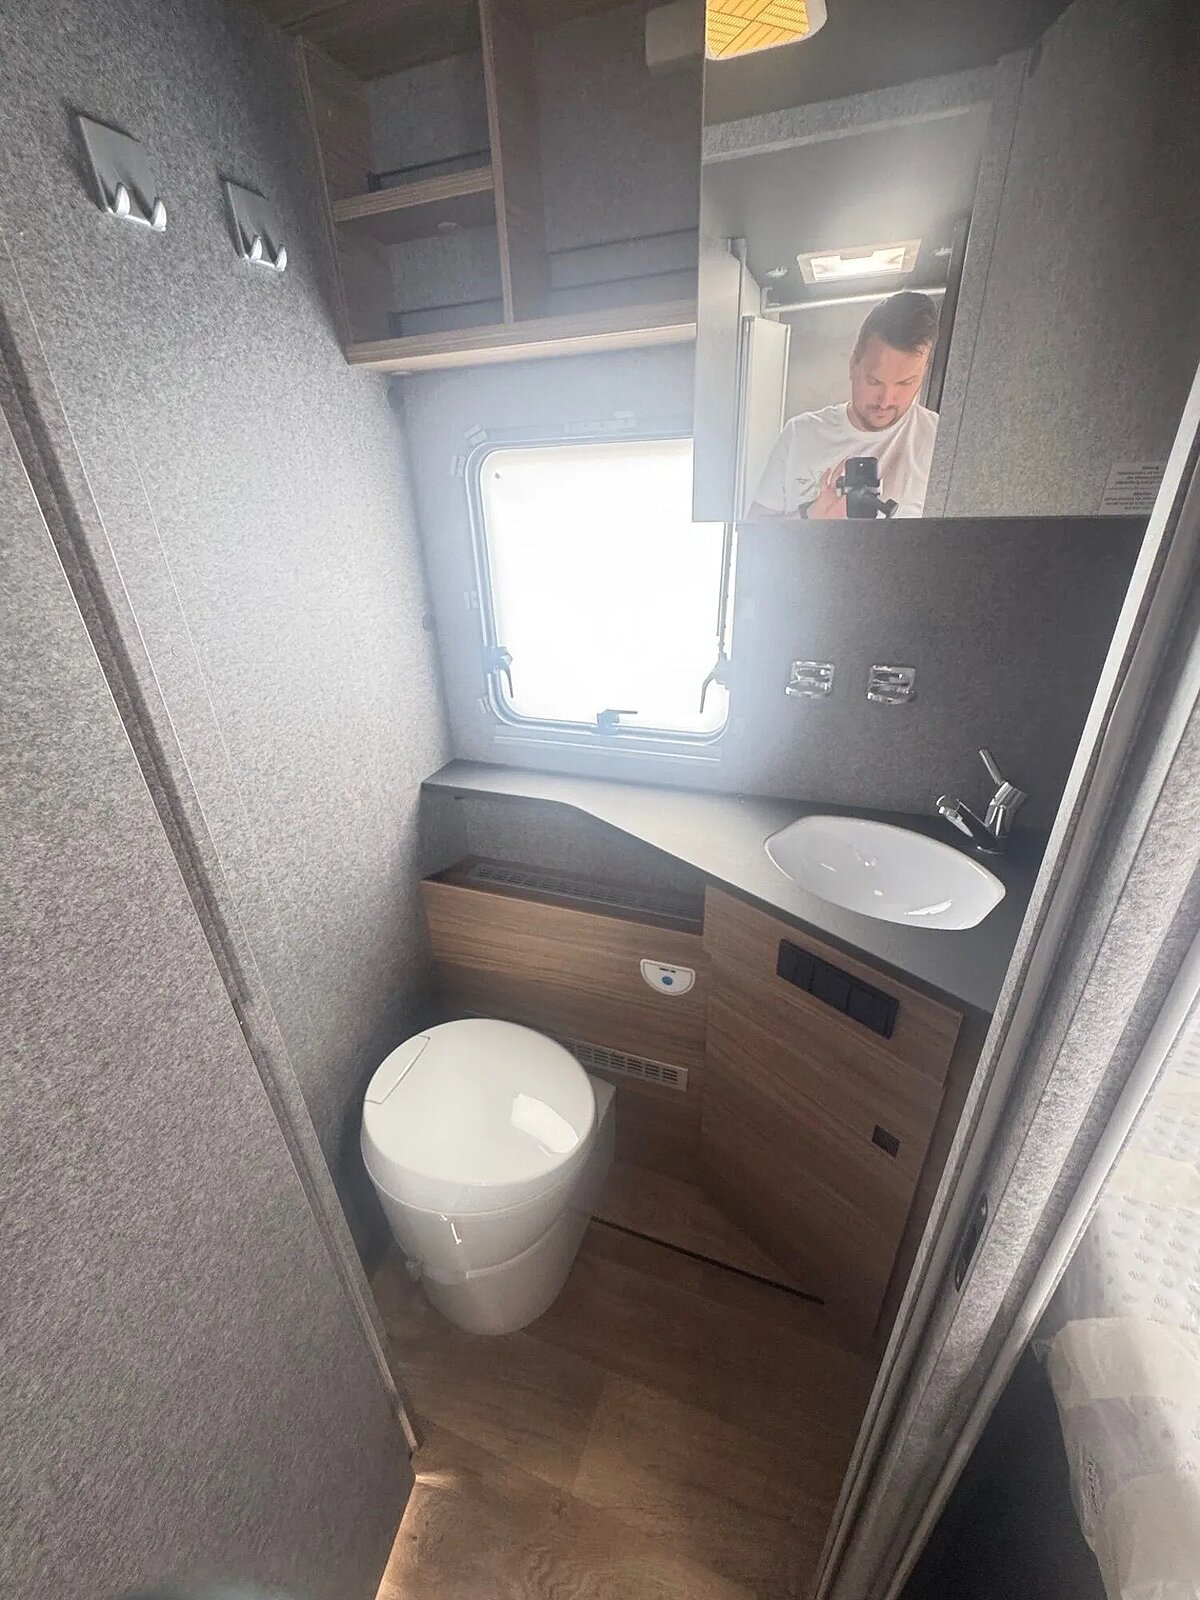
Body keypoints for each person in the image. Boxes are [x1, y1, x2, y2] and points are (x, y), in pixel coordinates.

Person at [749, 289, 940, 519]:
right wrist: (809, 516)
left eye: (905, 383)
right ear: (853, 365)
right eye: (874, 381)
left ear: (924, 374)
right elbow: (754, 533)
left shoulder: (940, 442)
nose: (886, 400)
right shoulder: (799, 434)